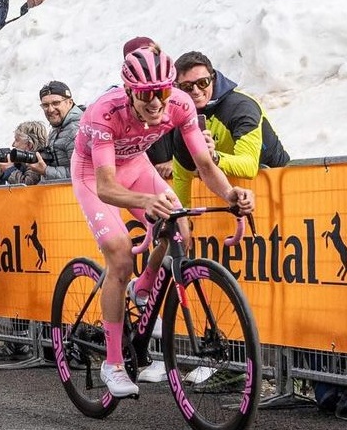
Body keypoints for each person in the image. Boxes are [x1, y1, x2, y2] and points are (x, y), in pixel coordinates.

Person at [71, 45, 255, 398]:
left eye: (162, 92)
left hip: (135, 166)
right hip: (95, 176)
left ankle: (144, 287)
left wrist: (230, 193)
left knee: (181, 228)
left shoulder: (181, 105)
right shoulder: (103, 114)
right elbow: (107, 187)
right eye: (145, 95)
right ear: (128, 92)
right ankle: (112, 363)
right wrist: (147, 201)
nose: (156, 102)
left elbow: (205, 165)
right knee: (120, 254)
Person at [171, 50, 290, 207]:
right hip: (234, 196)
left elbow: (249, 166)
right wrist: (182, 221)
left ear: (212, 79)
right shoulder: (185, 117)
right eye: (187, 87)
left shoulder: (241, 107)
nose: (196, 91)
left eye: (202, 83)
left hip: (278, 191)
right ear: (177, 88)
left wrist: (213, 157)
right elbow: (181, 176)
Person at [25, 80, 82, 182]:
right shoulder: (57, 128)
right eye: (45, 105)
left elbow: (82, 173)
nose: (50, 109)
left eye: (56, 103)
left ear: (69, 102)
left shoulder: (76, 130)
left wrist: (46, 170)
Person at [0, 120, 47, 186]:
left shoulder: (38, 162)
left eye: (17, 140)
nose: (13, 144)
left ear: (29, 145)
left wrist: (9, 169)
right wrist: (0, 172)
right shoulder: (21, 161)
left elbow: (27, 186)